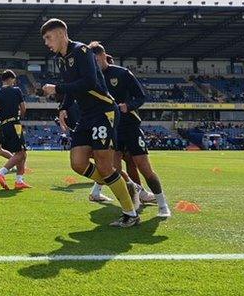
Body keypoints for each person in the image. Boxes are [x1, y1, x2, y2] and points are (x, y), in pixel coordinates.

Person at [39, 19, 139, 228]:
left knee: (104, 164)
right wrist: (64, 107)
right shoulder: (62, 59)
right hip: (86, 115)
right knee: (77, 163)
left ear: (60, 34)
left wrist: (57, 89)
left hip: (103, 111)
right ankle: (124, 184)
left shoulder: (81, 51)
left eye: (48, 38)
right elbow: (73, 88)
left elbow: (89, 82)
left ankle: (130, 214)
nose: (46, 43)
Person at [90, 43, 171, 218]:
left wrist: (129, 105)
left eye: (96, 60)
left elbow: (141, 96)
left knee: (144, 166)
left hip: (129, 125)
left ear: (104, 56)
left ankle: (163, 205)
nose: (95, 64)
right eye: (92, 61)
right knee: (113, 169)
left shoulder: (122, 73)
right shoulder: (92, 79)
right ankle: (135, 198)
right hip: (111, 128)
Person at [0, 71, 31, 190]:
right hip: (15, 124)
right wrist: (20, 117)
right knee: (21, 153)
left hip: (4, 126)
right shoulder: (16, 90)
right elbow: (23, 108)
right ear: (11, 79)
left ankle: (19, 181)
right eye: (14, 79)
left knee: (23, 153)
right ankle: (1, 173)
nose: (14, 82)